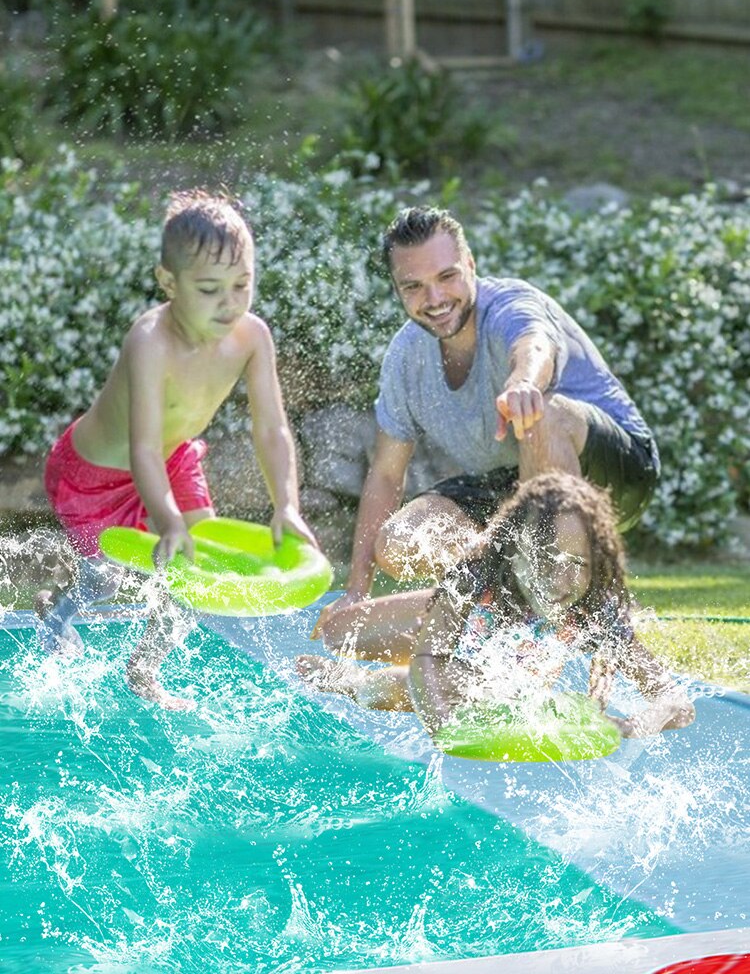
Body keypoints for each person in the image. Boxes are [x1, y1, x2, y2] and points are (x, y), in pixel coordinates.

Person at [314, 206, 659, 635]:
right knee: (399, 540)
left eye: (447, 276)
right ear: (398, 290)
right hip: (511, 482)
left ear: (471, 265)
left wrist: (523, 383)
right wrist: (356, 592)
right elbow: (385, 476)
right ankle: (505, 591)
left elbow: (534, 346)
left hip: (614, 469)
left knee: (540, 415)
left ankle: (567, 603)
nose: (435, 298)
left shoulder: (510, 305)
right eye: (414, 286)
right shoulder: (405, 359)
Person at [37, 189, 316, 710]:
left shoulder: (252, 337)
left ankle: (144, 667)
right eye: (210, 289)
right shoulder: (149, 340)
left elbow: (272, 428)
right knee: (105, 579)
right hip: (96, 472)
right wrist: (167, 520)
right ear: (169, 282)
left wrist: (287, 505)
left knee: (194, 568)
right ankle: (57, 608)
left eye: (242, 285)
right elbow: (141, 446)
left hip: (172, 458)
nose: (229, 303)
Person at [299, 473, 694, 741]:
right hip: (461, 624)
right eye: (546, 559)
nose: (561, 582)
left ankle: (356, 684)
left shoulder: (595, 605)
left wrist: (639, 723)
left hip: (503, 671)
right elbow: (428, 659)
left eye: (578, 565)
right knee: (338, 634)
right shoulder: (476, 570)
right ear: (517, 551)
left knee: (423, 686)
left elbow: (675, 701)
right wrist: (445, 727)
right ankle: (348, 677)